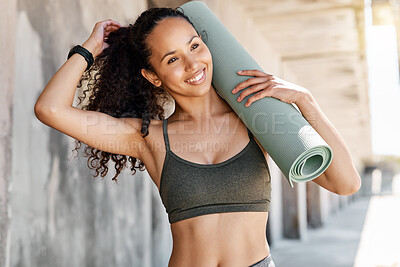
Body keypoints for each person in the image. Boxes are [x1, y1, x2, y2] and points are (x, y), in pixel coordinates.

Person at [34, 7, 361, 267]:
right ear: (153, 76)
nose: (193, 64)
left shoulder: (256, 120)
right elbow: (50, 109)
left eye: (195, 46)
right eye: (172, 59)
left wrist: (306, 100)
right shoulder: (148, 138)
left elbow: (345, 183)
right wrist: (88, 49)